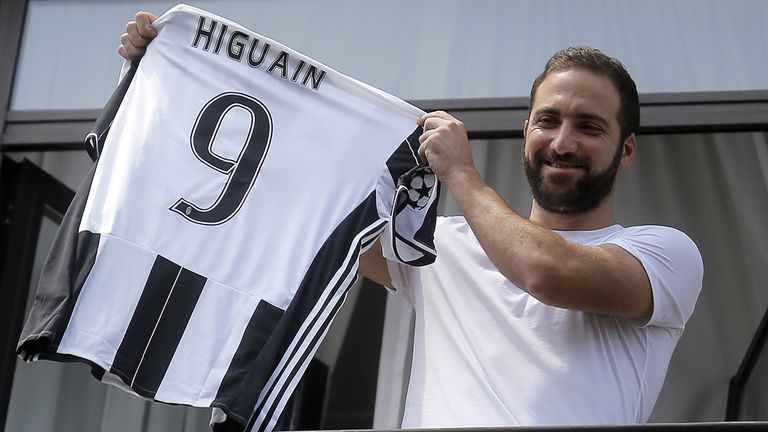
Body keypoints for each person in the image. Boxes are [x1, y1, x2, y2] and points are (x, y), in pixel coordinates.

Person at [119, 11, 703, 428]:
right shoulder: (439, 247)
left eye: (590, 126)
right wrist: (166, 83)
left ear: (626, 149)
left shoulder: (664, 254)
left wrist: (462, 177)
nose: (563, 141)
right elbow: (287, 210)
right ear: (527, 131)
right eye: (548, 121)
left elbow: (543, 273)